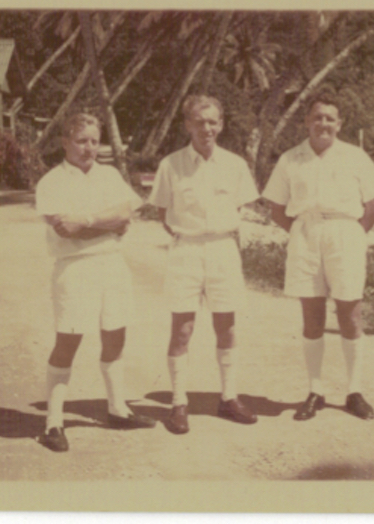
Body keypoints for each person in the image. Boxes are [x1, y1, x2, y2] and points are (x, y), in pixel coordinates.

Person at [262, 92, 374, 421]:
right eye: (317, 117)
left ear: (339, 124)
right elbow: (276, 209)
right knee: (312, 317)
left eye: (330, 118)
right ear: (306, 121)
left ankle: (354, 391)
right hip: (305, 235)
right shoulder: (291, 159)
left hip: (345, 234)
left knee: (350, 314)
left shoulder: (355, 156)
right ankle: (315, 391)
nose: (323, 124)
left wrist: (355, 233)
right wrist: (302, 232)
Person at [35, 113, 156, 452]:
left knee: (115, 334)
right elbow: (64, 229)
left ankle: (118, 410)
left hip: (112, 265)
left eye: (93, 140)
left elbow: (126, 215)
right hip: (74, 269)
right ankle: (53, 423)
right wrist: (108, 223)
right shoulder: (51, 182)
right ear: (65, 142)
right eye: (81, 140)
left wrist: (86, 221)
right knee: (68, 341)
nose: (88, 148)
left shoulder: (110, 175)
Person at [148, 95, 259, 434]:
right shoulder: (171, 165)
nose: (206, 128)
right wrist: (191, 235)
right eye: (199, 121)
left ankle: (228, 398)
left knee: (226, 327)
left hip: (224, 248)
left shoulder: (236, 165)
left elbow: (240, 208)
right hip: (186, 250)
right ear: (187, 125)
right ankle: (178, 404)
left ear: (221, 124)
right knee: (182, 329)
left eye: (212, 121)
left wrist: (215, 235)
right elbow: (163, 213)